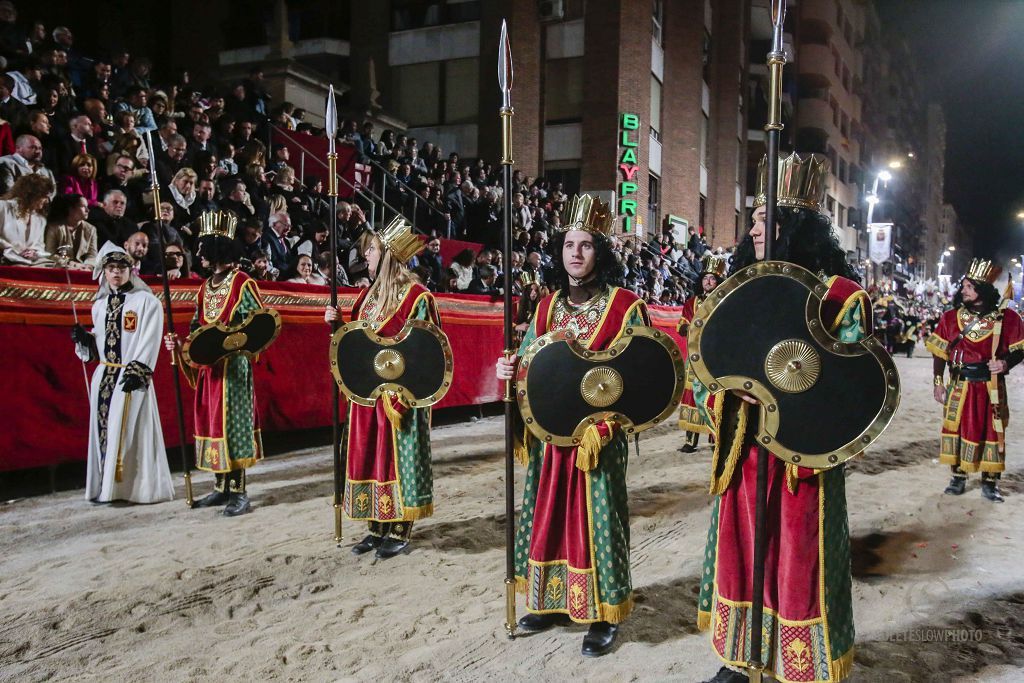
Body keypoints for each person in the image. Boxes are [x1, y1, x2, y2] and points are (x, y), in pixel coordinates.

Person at [694, 154, 865, 683]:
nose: (756, 228)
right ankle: (741, 656)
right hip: (743, 445)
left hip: (803, 454)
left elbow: (853, 389)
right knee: (743, 548)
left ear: (798, 228)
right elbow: (705, 371)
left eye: (770, 219)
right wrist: (728, 399)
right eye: (754, 220)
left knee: (798, 554)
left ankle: (800, 661)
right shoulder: (734, 291)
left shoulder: (842, 300)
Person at [495, 194, 648, 657]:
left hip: (598, 440)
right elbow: (527, 367)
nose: (575, 253)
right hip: (550, 439)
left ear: (600, 252)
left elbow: (642, 376)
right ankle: (550, 600)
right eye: (568, 244)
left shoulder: (625, 307)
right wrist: (509, 371)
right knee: (549, 515)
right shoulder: (543, 310)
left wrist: (609, 425)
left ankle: (603, 612)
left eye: (585, 245)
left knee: (597, 521)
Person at [323, 217, 440, 559]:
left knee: (396, 458)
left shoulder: (417, 296)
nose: (366, 257)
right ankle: (376, 526)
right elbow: (358, 345)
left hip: (400, 396)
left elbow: (427, 351)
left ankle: (400, 528)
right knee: (370, 456)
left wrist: (400, 393)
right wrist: (337, 327)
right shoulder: (365, 298)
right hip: (367, 397)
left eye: (371, 250)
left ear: (388, 253)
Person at [164, 212, 266, 516]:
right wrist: (183, 345)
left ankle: (239, 491)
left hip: (233, 367)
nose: (198, 255)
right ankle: (220, 487)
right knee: (212, 423)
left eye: (202, 248)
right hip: (210, 368)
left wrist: (231, 342)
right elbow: (198, 324)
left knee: (233, 426)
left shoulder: (242, 283)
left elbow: (257, 325)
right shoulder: (205, 286)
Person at [71, 243, 174, 503]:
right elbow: (100, 343)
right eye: (111, 268)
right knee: (107, 430)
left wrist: (139, 369)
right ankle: (107, 489)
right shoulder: (100, 304)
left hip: (131, 376)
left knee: (130, 431)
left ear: (131, 270)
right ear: (104, 272)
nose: (116, 273)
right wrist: (85, 340)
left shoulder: (146, 302)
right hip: (105, 376)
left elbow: (150, 337)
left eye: (121, 268)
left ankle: (137, 489)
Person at [925, 259, 1024, 502]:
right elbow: (940, 354)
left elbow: (1019, 349)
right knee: (956, 429)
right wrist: (939, 382)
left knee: (992, 430)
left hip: (990, 386)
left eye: (969, 287)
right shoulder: (950, 318)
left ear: (981, 290)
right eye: (964, 286)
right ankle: (958, 477)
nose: (963, 291)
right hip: (959, 384)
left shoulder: (1007, 318)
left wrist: (1004, 363)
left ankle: (990, 483)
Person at [677, 254, 728, 453]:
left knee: (714, 396)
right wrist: (689, 328)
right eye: (706, 278)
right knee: (691, 397)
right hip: (695, 355)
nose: (708, 281)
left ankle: (715, 439)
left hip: (715, 356)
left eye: (713, 278)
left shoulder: (723, 302)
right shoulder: (691, 303)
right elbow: (682, 325)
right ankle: (690, 441)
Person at [0, 172, 53, 265]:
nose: (46, 201)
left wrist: (34, 252)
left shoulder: (40, 220)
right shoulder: (3, 207)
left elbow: (40, 246)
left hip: (29, 264)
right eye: (44, 196)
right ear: (32, 194)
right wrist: (8, 248)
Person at [45, 192, 96, 269]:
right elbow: (50, 253)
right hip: (61, 268)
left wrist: (88, 266)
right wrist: (70, 263)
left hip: (83, 269)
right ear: (71, 209)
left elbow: (92, 254)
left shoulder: (91, 229)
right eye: (83, 206)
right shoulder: (54, 228)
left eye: (87, 206)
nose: (87, 210)